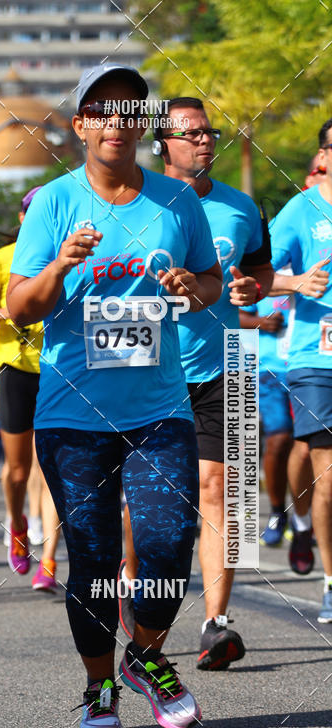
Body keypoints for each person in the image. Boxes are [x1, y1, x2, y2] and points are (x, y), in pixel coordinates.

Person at [7, 64, 223, 728]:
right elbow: (19, 308)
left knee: (166, 542)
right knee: (95, 559)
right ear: (80, 126)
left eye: (130, 110)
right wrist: (61, 265)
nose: (116, 122)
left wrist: (192, 287)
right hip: (73, 411)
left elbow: (211, 285)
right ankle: (99, 690)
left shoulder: (175, 201)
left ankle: (146, 657)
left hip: (158, 406)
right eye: (101, 110)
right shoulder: (53, 203)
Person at [119, 97, 274, 671]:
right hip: (149, 368)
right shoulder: (137, 203)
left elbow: (259, 268)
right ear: (162, 143)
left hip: (226, 363)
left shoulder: (241, 206)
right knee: (145, 506)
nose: (204, 141)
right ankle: (137, 591)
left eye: (209, 132)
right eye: (190, 133)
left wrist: (254, 289)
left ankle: (216, 623)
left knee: (222, 492)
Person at [0, 190, 61, 589]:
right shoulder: (0, 258)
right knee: (18, 469)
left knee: (51, 466)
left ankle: (52, 560)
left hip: (59, 369)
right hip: (15, 369)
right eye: (33, 213)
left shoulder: (69, 257)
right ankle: (19, 523)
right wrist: (10, 310)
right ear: (24, 218)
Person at [268, 117, 332, 623]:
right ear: (324, 156)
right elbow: (253, 274)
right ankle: (331, 578)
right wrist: (295, 283)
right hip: (315, 359)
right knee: (322, 470)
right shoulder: (301, 210)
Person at [239, 294, 294, 545]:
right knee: (279, 440)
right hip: (269, 371)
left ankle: (306, 518)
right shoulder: (266, 268)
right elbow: (235, 315)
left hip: (313, 368)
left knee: (312, 446)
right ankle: (277, 512)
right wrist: (260, 321)